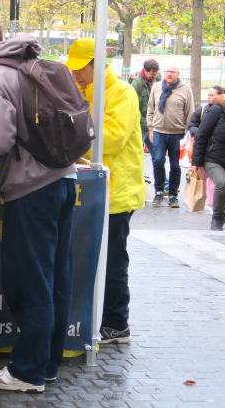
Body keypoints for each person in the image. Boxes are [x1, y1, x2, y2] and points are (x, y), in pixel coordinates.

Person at [0, 21, 77, 394]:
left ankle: (27, 371)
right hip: (65, 178)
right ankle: (48, 362)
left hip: (31, 186)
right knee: (56, 276)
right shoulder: (38, 63)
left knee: (30, 280)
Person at [65, 38, 145, 345]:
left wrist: (73, 129)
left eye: (80, 70)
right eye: (72, 70)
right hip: (95, 189)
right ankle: (102, 318)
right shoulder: (85, 92)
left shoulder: (122, 93)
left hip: (117, 192)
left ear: (97, 64)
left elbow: (111, 138)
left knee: (113, 260)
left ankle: (117, 323)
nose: (75, 76)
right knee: (95, 258)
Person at [190, 83, 225, 231]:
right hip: (213, 158)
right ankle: (216, 220)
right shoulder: (217, 110)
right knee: (223, 184)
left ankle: (220, 221)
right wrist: (196, 161)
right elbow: (201, 135)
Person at [146, 64, 194, 207]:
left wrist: (189, 133)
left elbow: (190, 111)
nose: (169, 74)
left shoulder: (185, 89)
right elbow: (150, 108)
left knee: (175, 165)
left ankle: (173, 194)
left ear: (178, 73)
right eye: (167, 71)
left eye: (172, 72)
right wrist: (151, 128)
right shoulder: (156, 87)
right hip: (159, 131)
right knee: (158, 161)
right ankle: (159, 192)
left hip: (177, 133)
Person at [129, 59, 160, 154]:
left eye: (156, 74)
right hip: (140, 125)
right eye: (151, 74)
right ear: (145, 71)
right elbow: (135, 110)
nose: (154, 76)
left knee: (157, 154)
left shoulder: (159, 81)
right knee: (137, 153)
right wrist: (147, 128)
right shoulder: (137, 84)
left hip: (155, 124)